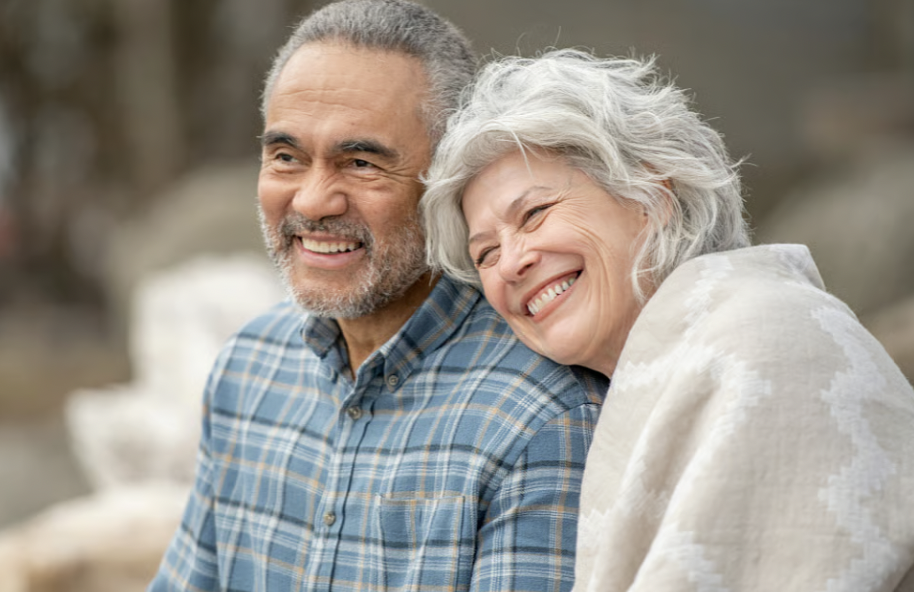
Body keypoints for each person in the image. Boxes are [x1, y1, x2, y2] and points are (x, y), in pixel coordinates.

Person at [148, 2, 609, 591]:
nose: (313, 202)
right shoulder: (249, 367)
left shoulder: (543, 416)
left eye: (361, 162)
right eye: (286, 157)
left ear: (450, 180)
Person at [422, 48, 914, 591]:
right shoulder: (659, 368)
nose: (510, 264)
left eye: (534, 214)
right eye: (486, 253)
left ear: (652, 196)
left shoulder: (765, 339)